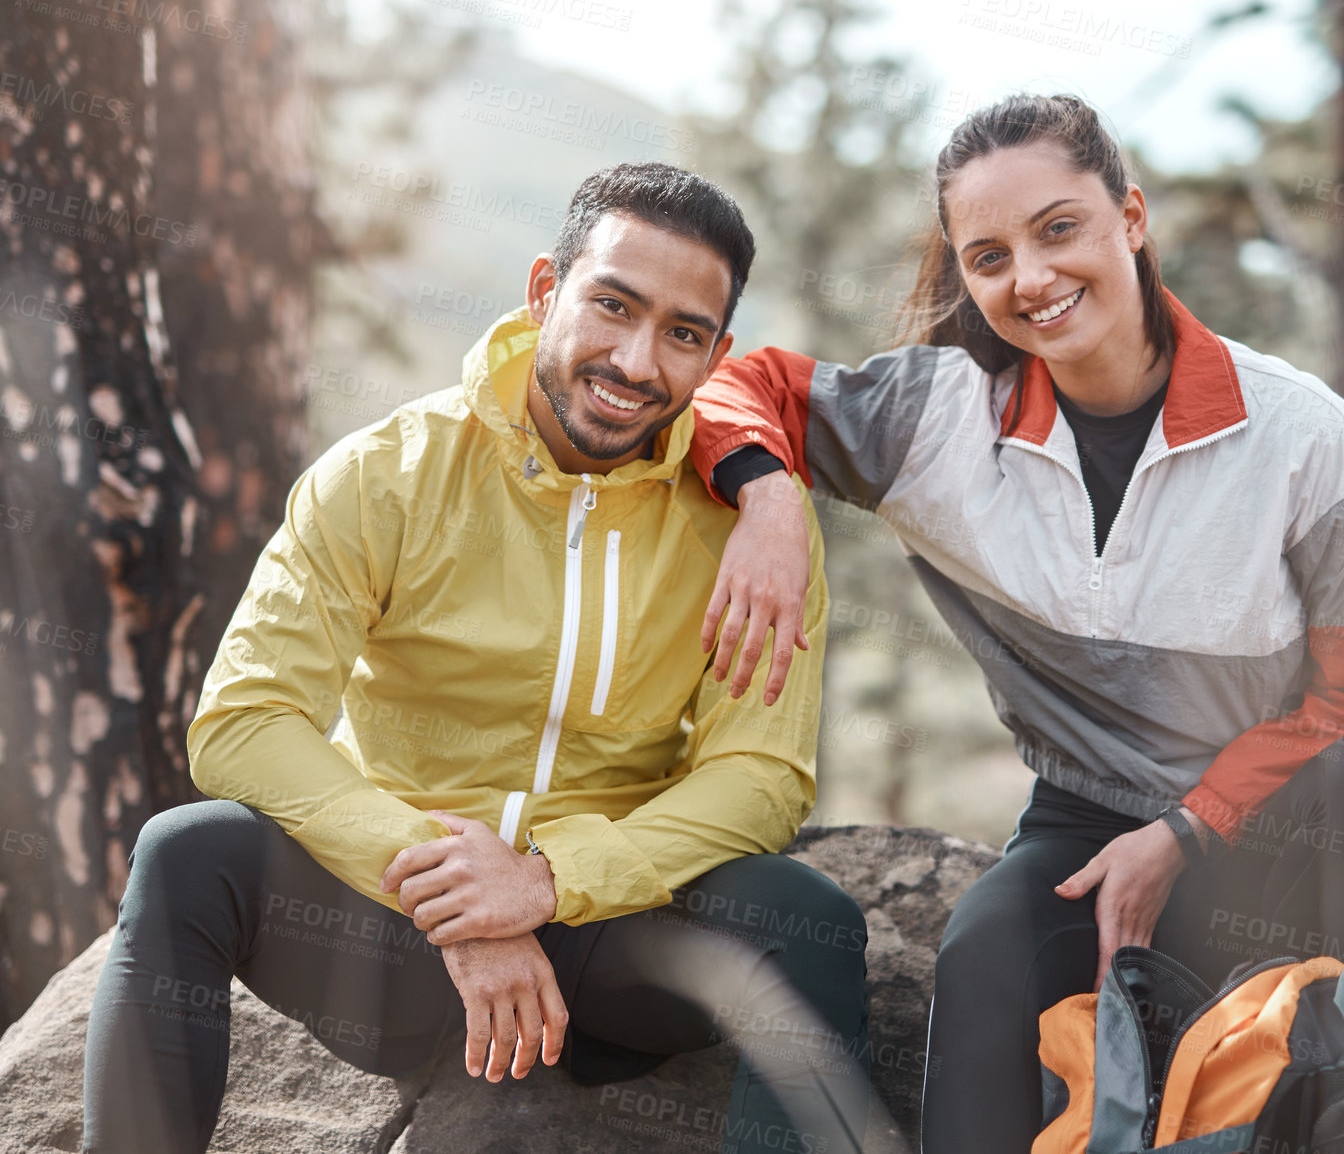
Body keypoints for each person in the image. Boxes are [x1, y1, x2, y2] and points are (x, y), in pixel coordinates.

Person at [688, 94, 1344, 1153]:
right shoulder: (935, 420)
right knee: (987, 952)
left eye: (1060, 229)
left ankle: (1242, 1054)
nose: (1032, 279)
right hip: (1080, 830)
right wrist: (769, 498)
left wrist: (1186, 830)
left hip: (1264, 826)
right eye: (989, 254)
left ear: (1130, 217)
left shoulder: (1317, 443)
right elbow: (741, 383)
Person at [81, 162, 876, 1154]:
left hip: (609, 945)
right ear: (545, 291)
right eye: (612, 306)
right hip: (390, 941)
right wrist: (459, 899)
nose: (635, 360)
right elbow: (245, 723)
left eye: (681, 333)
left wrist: (547, 882)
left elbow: (758, 777)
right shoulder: (387, 473)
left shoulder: (752, 531)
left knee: (808, 922)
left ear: (718, 353)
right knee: (187, 853)